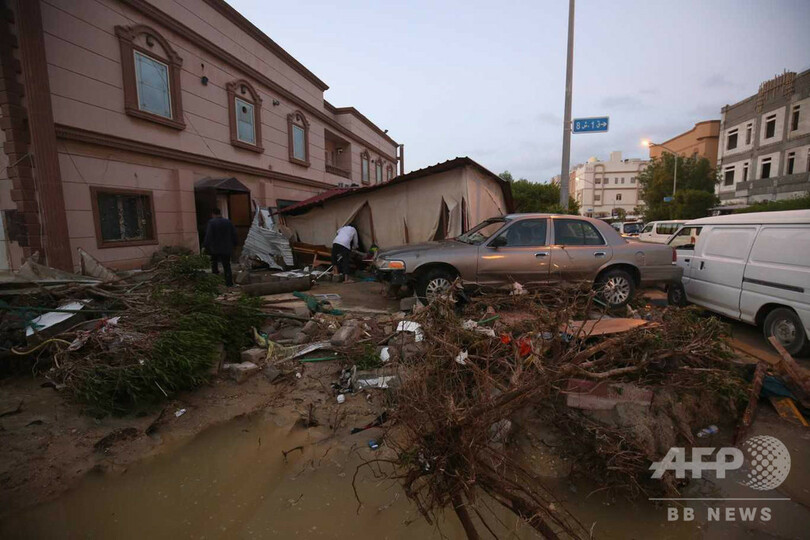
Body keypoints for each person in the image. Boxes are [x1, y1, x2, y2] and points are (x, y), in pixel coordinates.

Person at [203, 208, 239, 286]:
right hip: (226, 248)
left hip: (215, 248)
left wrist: (205, 246)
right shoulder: (228, 222)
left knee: (214, 264)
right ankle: (229, 283)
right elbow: (234, 234)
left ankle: (215, 282)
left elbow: (208, 235)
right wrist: (235, 244)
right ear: (220, 213)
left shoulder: (211, 223)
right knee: (227, 266)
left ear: (213, 214)